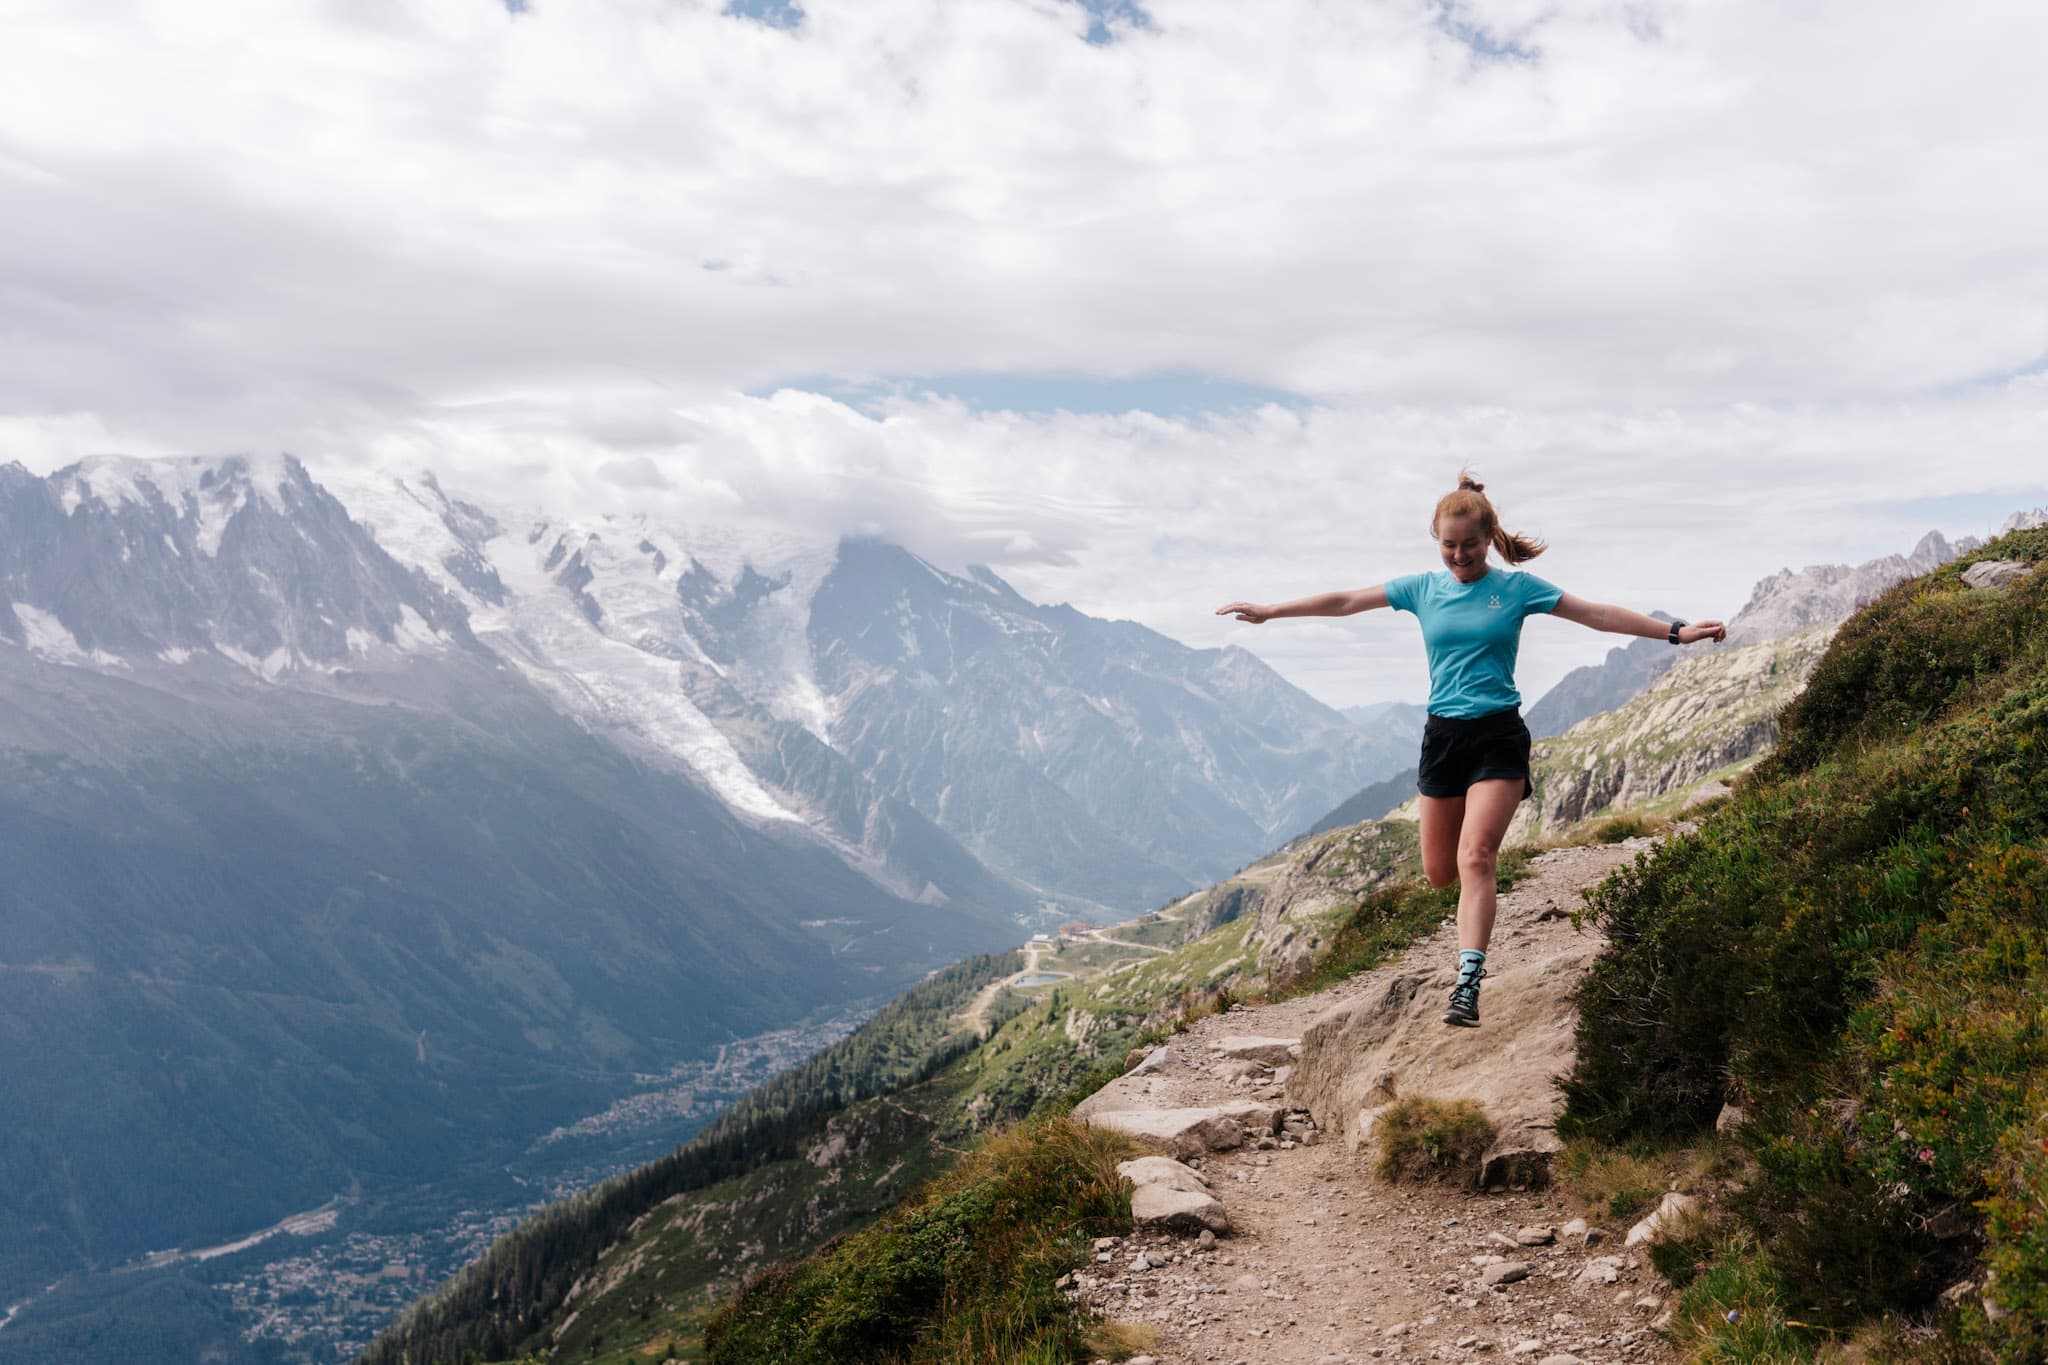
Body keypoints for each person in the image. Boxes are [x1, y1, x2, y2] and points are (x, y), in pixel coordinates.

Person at [1214, 472, 1726, 1027]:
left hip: (1499, 735)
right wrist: (1270, 611)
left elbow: (1598, 615)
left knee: (1475, 856)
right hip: (1443, 739)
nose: (1460, 555)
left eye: (1470, 545)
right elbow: (1344, 600)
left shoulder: (1517, 590)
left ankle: (1467, 981)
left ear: (1489, 539)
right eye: (1449, 545)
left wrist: (1676, 632)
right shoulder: (1421, 589)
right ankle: (1469, 935)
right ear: (1437, 540)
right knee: (1440, 873)